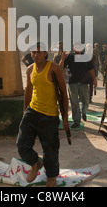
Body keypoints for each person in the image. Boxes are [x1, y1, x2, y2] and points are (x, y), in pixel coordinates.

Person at [16, 42, 69, 187]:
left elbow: (64, 94)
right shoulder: (30, 69)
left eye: (39, 52)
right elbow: (28, 91)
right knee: (21, 144)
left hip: (49, 116)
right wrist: (24, 112)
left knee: (50, 150)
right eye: (33, 52)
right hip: (32, 112)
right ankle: (35, 163)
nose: (35, 55)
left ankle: (51, 177)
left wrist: (65, 118)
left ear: (46, 53)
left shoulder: (54, 68)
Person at [59, 42, 97, 128]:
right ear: (73, 48)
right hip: (72, 83)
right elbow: (61, 67)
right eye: (76, 46)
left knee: (86, 101)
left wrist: (94, 79)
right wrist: (62, 58)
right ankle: (76, 121)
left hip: (84, 83)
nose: (78, 48)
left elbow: (91, 69)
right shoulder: (69, 57)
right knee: (74, 102)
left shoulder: (86, 57)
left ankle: (84, 111)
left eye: (79, 46)